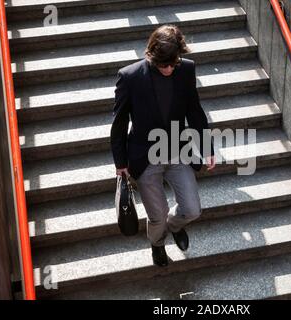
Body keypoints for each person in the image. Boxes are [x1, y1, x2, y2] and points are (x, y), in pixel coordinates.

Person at [110, 25, 216, 267]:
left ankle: (175, 226)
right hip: (145, 156)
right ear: (151, 55)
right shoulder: (130, 76)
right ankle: (157, 244)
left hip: (178, 150)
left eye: (173, 63)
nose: (169, 68)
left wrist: (207, 147)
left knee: (192, 209)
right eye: (163, 64)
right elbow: (119, 123)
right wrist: (121, 163)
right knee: (156, 217)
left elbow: (195, 112)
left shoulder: (186, 70)